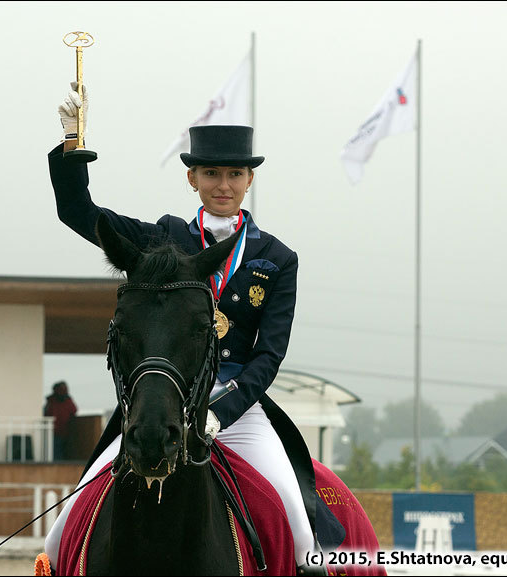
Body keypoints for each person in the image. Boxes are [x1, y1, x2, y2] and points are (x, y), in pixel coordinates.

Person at [45, 83, 327, 575]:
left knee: (301, 529)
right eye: (211, 173)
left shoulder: (277, 259)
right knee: (60, 529)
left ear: (249, 180)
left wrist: (223, 409)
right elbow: (79, 213)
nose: (223, 184)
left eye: (234, 174)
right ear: (192, 177)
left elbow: (270, 354)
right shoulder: (163, 239)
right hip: (161, 397)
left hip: (236, 409)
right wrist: (72, 145)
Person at [43, 380, 77, 461]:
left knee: (63, 451)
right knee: (56, 452)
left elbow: (74, 410)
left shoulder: (67, 400)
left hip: (65, 431)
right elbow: (47, 413)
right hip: (54, 432)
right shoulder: (51, 401)